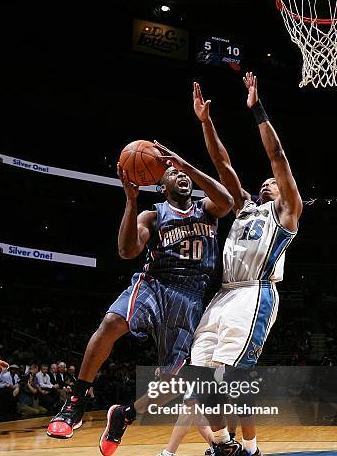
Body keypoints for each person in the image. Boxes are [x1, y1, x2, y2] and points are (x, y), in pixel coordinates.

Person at [135, 74, 303, 456]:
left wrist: (255, 108)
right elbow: (223, 166)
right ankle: (226, 447)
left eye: (272, 181)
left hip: (255, 293)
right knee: (199, 380)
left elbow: (278, 155)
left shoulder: (286, 214)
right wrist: (205, 123)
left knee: (233, 378)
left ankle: (250, 450)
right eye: (262, 180)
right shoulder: (244, 207)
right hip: (224, 295)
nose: (266, 181)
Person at [47, 143, 233, 439]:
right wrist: (131, 201)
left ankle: (125, 415)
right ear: (161, 186)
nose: (180, 176)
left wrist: (186, 167)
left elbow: (228, 201)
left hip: (191, 296)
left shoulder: (207, 209)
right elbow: (126, 250)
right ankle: (76, 402)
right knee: (111, 322)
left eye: (181, 173)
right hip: (156, 283)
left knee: (177, 381)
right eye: (172, 174)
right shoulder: (153, 215)